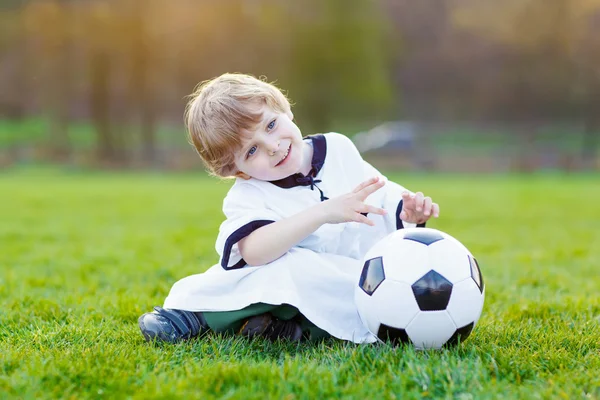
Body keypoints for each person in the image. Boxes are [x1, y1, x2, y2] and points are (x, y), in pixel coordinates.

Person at [138, 73, 440, 344]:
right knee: (283, 270)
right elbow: (254, 251)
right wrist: (322, 213)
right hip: (290, 274)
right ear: (236, 170)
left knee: (365, 291)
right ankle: (196, 316)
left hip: (345, 273)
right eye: (251, 150)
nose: (272, 146)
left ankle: (286, 329)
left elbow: (380, 193)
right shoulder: (250, 193)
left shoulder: (338, 149)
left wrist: (407, 212)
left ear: (285, 109)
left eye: (270, 125)